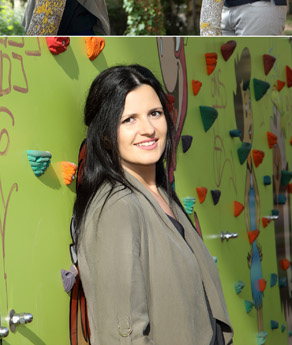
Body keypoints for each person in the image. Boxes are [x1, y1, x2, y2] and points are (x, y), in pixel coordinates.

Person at [70, 64, 231, 344]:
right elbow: (124, 335)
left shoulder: (163, 195)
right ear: (106, 135)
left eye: (154, 114)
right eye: (128, 119)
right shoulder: (117, 206)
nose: (148, 129)